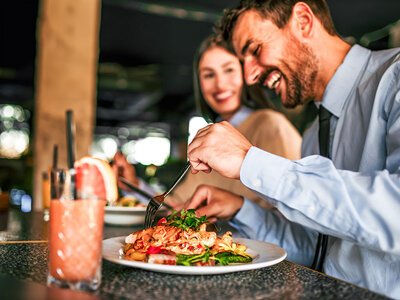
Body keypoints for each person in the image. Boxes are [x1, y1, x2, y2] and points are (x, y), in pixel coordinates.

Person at [184, 1, 400, 298]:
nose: (249, 78)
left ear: (302, 20)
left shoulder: (395, 79)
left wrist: (250, 161)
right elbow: (317, 248)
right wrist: (242, 210)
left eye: (255, 49)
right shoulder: (313, 136)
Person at [113, 34, 302, 209]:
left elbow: (295, 206)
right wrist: (134, 186)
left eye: (229, 70)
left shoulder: (271, 125)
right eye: (209, 74)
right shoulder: (210, 138)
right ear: (199, 83)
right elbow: (178, 206)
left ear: (245, 75)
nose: (220, 84)